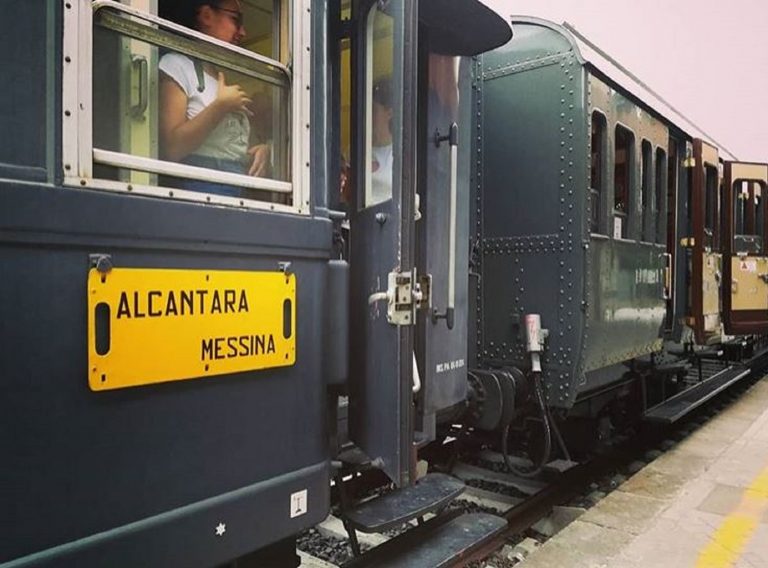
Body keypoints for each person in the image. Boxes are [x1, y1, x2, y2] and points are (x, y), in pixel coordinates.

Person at [158, 0, 270, 196]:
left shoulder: (224, 77)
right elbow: (173, 148)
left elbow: (228, 144)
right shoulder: (176, 65)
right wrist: (220, 107)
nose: (243, 32)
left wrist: (259, 150)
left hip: (240, 190)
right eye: (235, 20)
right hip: (200, 192)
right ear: (207, 15)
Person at [369, 76, 393, 205]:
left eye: (374, 110)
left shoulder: (399, 156)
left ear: (389, 113)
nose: (369, 115)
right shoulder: (354, 150)